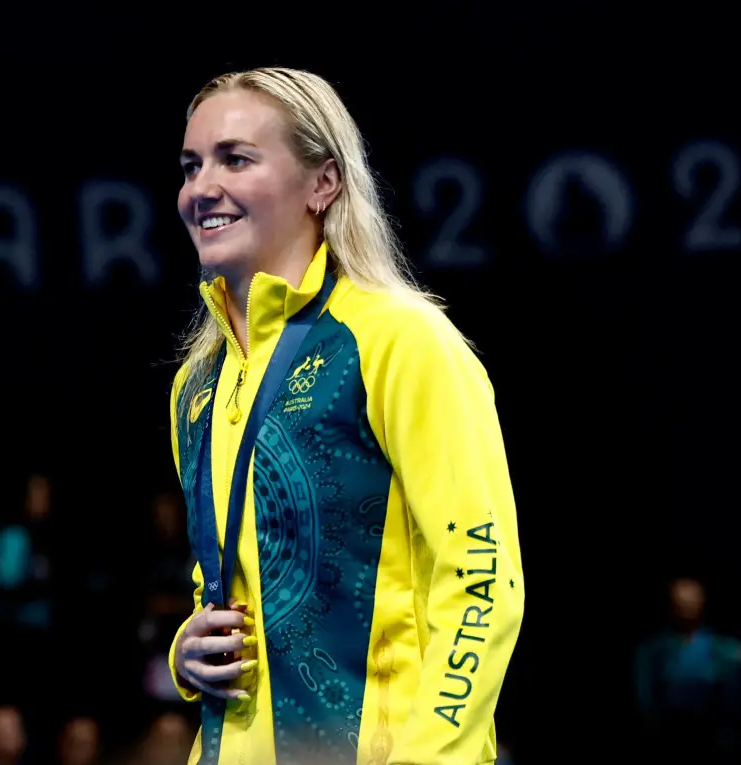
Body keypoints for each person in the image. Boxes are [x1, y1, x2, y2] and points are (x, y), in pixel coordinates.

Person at [166, 67, 524, 765]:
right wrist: (190, 650)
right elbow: (227, 580)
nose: (201, 187)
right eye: (191, 165)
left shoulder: (399, 340)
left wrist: (432, 756)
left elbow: (481, 576)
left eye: (236, 158)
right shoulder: (196, 385)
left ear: (322, 182)